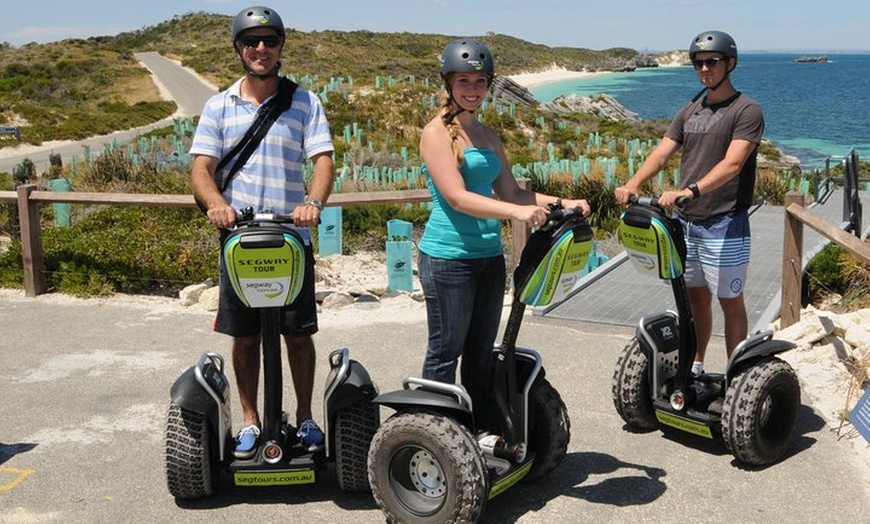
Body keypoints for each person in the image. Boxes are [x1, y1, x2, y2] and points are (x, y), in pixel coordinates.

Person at [418, 39, 591, 430]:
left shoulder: (487, 135)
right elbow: (458, 197)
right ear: (449, 83)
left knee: (481, 352)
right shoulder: (437, 134)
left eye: (480, 81)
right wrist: (517, 213)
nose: (473, 89)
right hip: (448, 258)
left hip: (488, 257)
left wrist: (565, 200)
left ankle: (477, 429)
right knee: (446, 351)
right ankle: (435, 430)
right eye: (464, 81)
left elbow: (512, 191)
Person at [189, 5, 335, 458]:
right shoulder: (219, 106)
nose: (260, 49)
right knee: (245, 336)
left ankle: (307, 416)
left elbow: (324, 161)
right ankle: (250, 420)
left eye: (269, 41)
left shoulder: (305, 101)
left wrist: (312, 203)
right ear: (238, 49)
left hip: (292, 240)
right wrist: (216, 204)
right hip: (240, 241)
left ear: (279, 48)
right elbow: (201, 168)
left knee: (298, 333)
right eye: (251, 42)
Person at [614, 30, 764, 375]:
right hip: (687, 223)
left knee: (731, 303)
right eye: (698, 63)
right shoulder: (691, 108)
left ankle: (736, 377)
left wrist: (690, 190)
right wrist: (633, 183)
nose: (705, 68)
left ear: (730, 63)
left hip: (725, 221)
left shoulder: (747, 110)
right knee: (695, 300)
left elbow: (733, 163)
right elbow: (663, 152)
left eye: (712, 62)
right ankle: (695, 366)